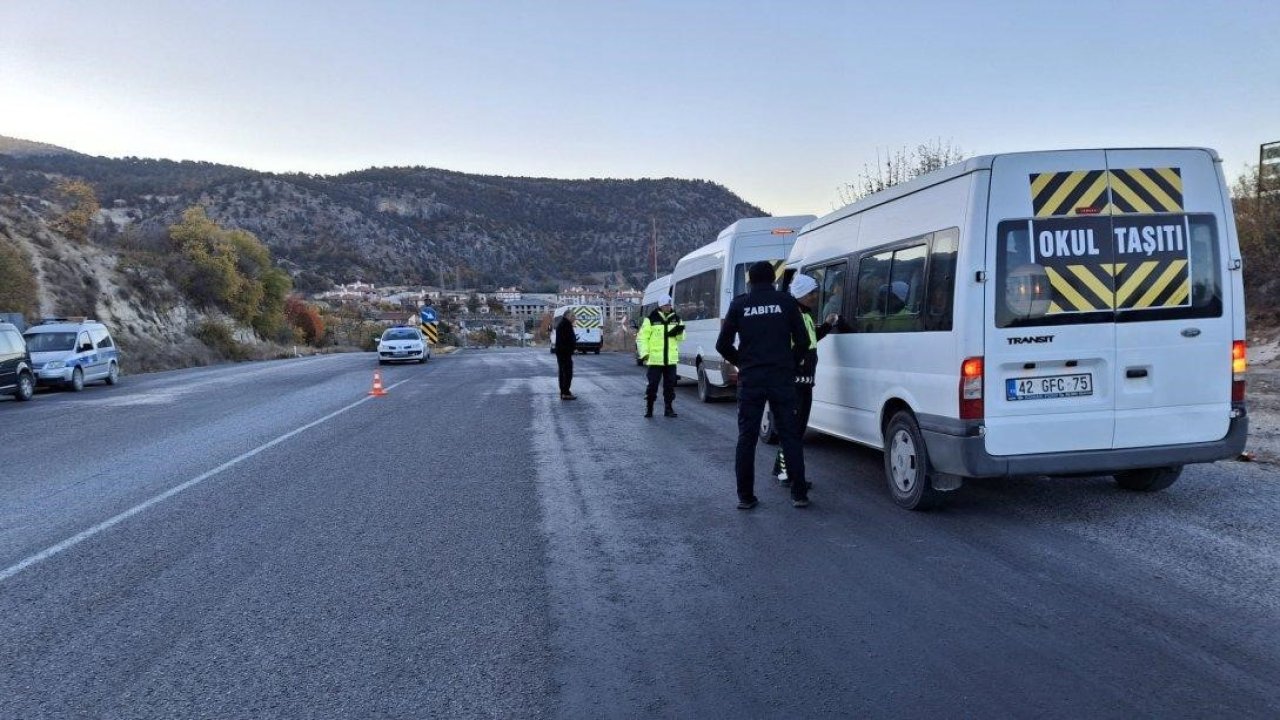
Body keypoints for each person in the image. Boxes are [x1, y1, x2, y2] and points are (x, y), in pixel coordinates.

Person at [715, 261, 811, 509]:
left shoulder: (739, 304)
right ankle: (798, 493)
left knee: (747, 437)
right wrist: (791, 363)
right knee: (790, 435)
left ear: (750, 281)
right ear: (773, 280)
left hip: (751, 380)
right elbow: (802, 341)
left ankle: (745, 497)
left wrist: (743, 364)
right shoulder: (787, 302)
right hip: (781, 378)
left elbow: (722, 345)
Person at [772, 273, 843, 484]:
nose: (815, 297)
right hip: (795, 384)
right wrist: (796, 369)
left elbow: (811, 341)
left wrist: (828, 325)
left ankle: (781, 469)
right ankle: (788, 474)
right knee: (793, 431)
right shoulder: (793, 315)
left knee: (795, 430)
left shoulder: (805, 315)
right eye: (812, 293)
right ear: (802, 294)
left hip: (805, 383)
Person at [635, 295, 684, 418]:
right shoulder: (651, 319)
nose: (668, 307)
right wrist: (644, 354)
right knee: (652, 385)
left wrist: (679, 331)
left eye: (669, 305)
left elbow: (681, 338)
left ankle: (669, 408)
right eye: (666, 305)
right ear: (660, 306)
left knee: (670, 385)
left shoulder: (677, 319)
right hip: (655, 359)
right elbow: (642, 338)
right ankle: (649, 407)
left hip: (670, 360)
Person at [552, 308, 578, 400]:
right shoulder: (565, 325)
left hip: (563, 352)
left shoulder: (564, 324)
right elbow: (565, 340)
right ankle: (565, 392)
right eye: (573, 316)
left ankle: (565, 391)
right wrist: (570, 347)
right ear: (568, 316)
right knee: (566, 373)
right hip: (564, 353)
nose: (574, 318)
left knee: (564, 372)